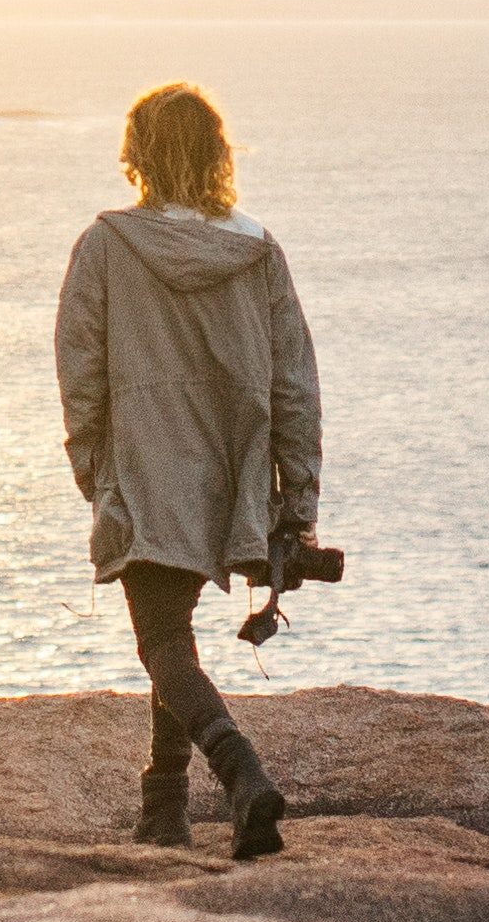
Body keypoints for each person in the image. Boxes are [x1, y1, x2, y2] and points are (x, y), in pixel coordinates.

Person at [53, 79, 323, 857]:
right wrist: (294, 500)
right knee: (174, 640)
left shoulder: (107, 245)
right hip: (234, 473)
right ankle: (163, 808)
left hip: (145, 466)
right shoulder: (259, 250)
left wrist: (94, 471)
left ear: (137, 156)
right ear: (215, 154)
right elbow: (294, 385)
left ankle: (243, 777)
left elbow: (81, 374)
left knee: (162, 641)